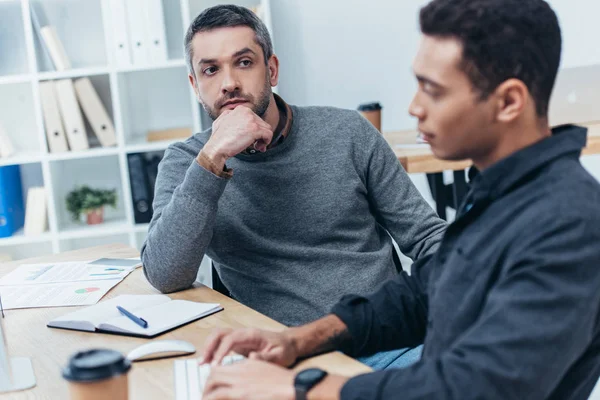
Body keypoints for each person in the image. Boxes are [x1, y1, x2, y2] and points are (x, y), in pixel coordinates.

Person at [198, 0, 600, 399]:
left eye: (433, 90)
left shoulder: (569, 222)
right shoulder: (503, 188)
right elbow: (425, 292)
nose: (414, 107)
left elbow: (480, 387)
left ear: (509, 102)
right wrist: (299, 341)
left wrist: (302, 388)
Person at [140, 5, 446, 368]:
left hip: (389, 343)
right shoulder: (188, 162)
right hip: (285, 360)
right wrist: (212, 158)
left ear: (271, 70)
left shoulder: (348, 133)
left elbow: (429, 238)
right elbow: (165, 274)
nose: (228, 83)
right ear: (195, 85)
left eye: (243, 62)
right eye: (210, 70)